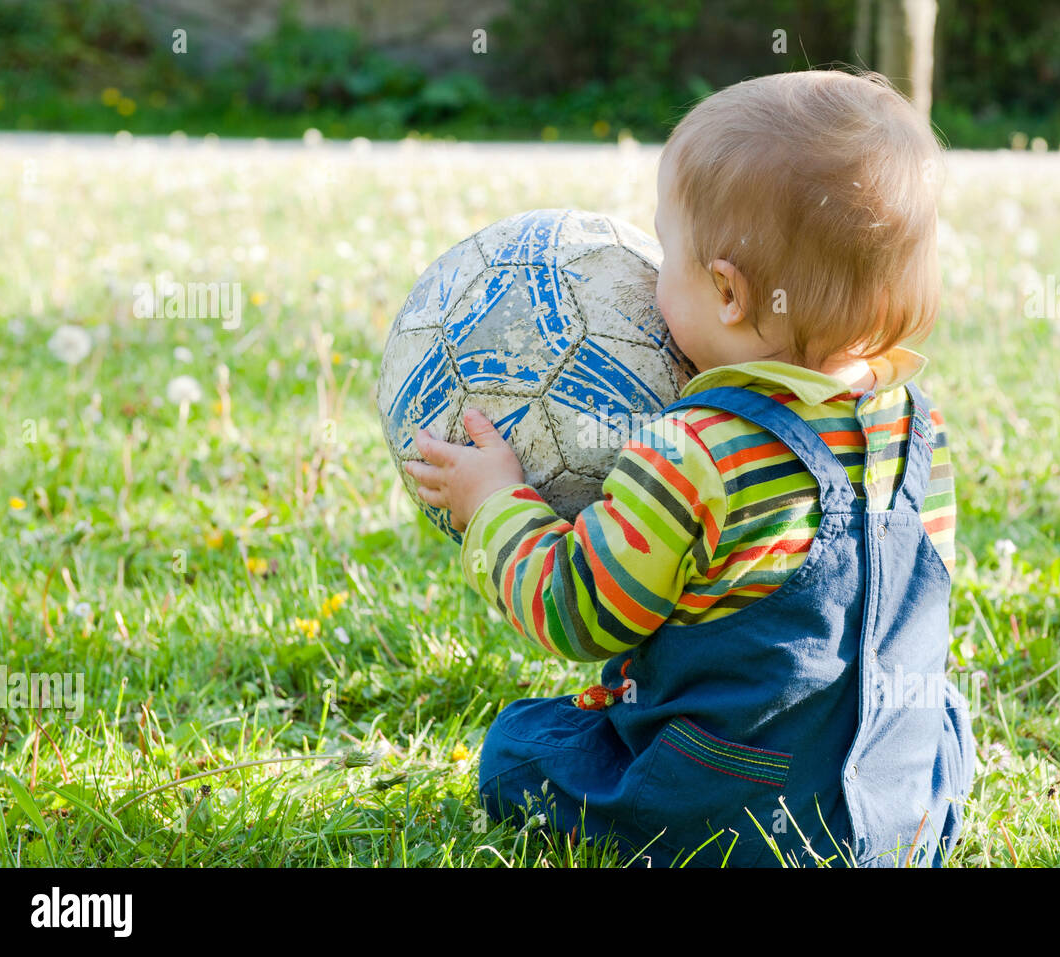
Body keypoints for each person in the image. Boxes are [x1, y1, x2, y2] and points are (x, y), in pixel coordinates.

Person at [405, 69, 975, 867]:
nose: (647, 277)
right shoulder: (920, 431)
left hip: (732, 817)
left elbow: (578, 608)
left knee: (522, 748)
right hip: (899, 810)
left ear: (728, 293)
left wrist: (497, 499)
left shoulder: (694, 448)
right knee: (935, 704)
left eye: (665, 253)